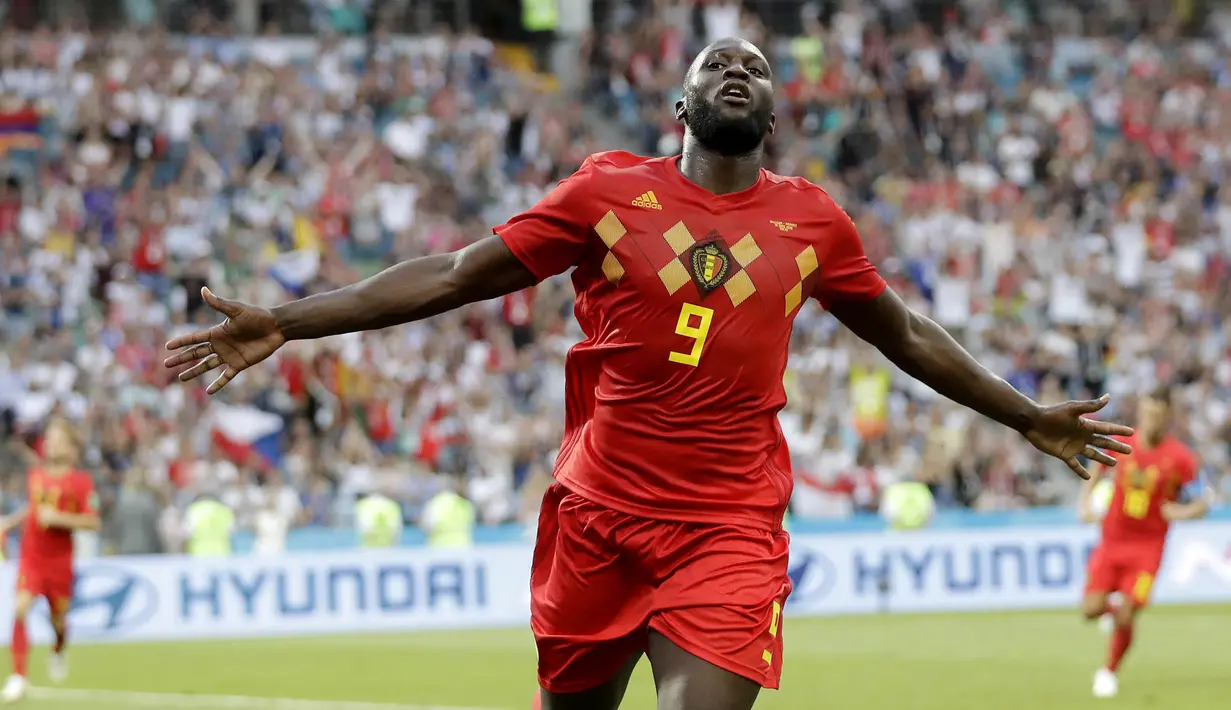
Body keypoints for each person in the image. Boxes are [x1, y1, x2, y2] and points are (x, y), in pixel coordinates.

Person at [165, 37, 1134, 710]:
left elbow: (906, 332)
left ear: (773, 111)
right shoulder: (607, 192)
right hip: (596, 516)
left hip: (727, 527)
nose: (739, 72)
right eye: (718, 65)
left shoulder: (811, 222)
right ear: (681, 103)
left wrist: (1023, 416)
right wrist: (286, 321)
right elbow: (457, 275)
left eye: (756, 68)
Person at [1078, 386, 1211, 699]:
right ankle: (1109, 615)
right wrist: (1084, 501)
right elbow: (1097, 471)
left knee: (1128, 612)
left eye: (1157, 414)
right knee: (1090, 609)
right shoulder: (1122, 443)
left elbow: (1202, 502)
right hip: (1111, 541)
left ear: (1167, 416)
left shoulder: (1181, 458)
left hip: (1147, 549)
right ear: (1141, 411)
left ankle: (1108, 671)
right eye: (1147, 412)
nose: (1151, 420)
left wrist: (1182, 511)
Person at [0, 418, 100, 703]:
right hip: (31, 558)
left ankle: (58, 648)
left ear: (70, 448)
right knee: (19, 608)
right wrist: (9, 522)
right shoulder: (36, 476)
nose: (51, 443)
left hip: (59, 563)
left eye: (58, 439)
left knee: (58, 622)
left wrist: (59, 519)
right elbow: (33, 509)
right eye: (49, 437)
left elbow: (93, 522)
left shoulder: (80, 483)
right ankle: (18, 677)